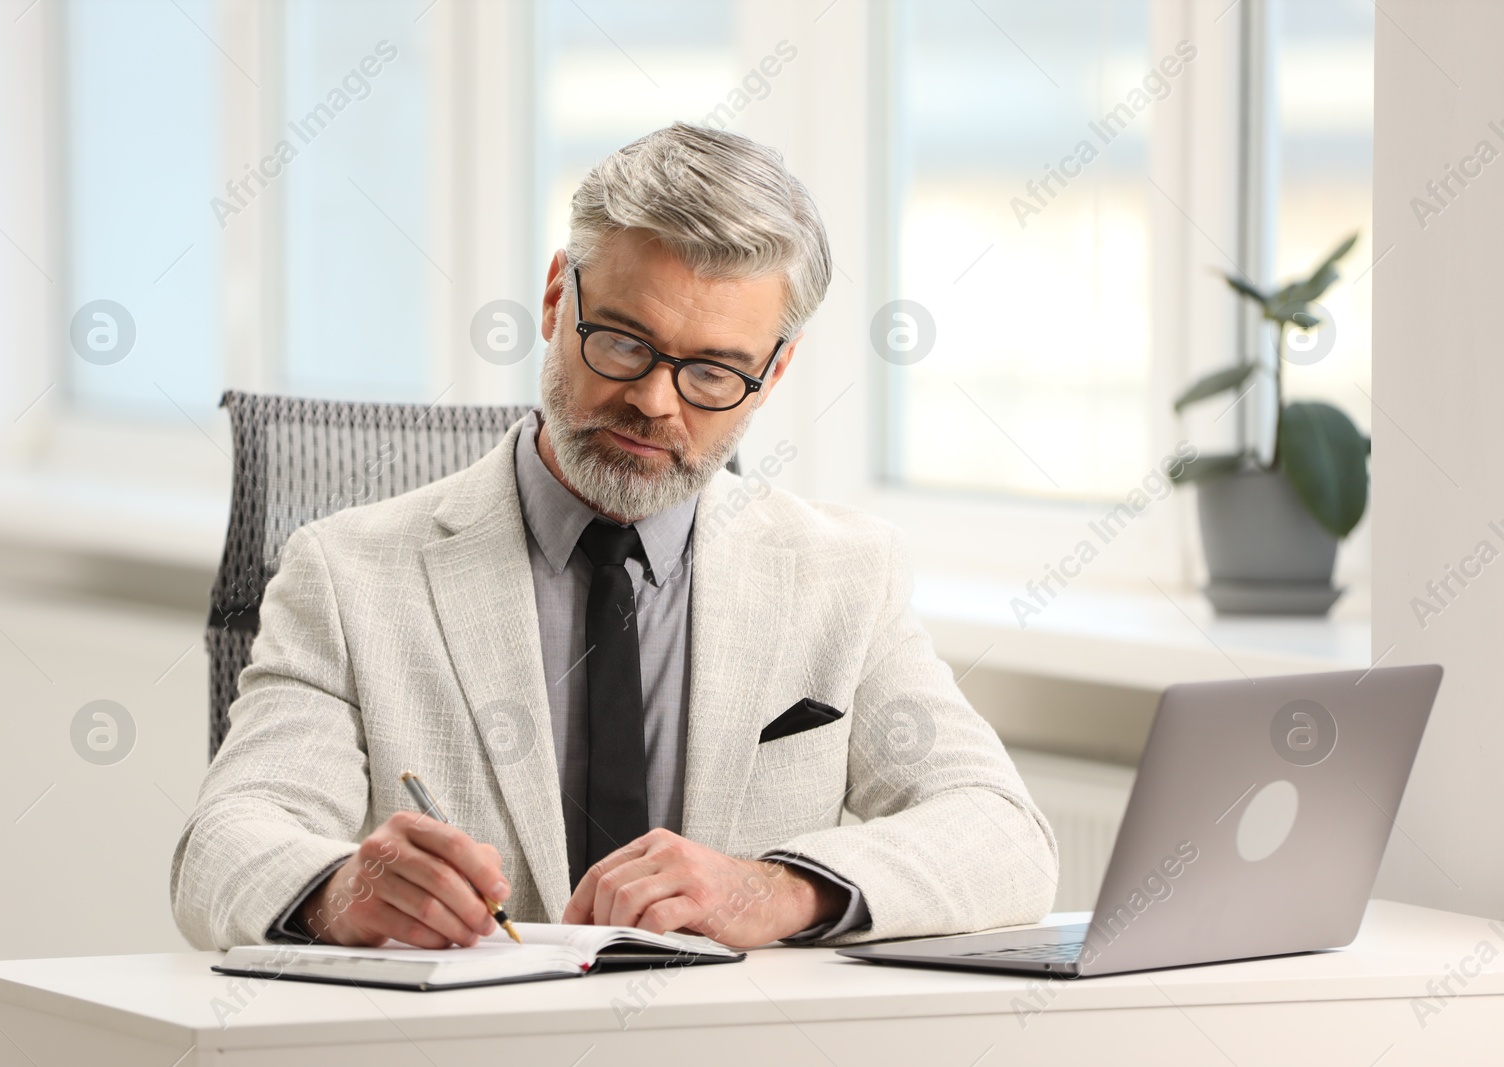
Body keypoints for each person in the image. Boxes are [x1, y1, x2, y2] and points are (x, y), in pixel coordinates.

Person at [170, 122, 1057, 952]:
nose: (655, 401)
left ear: (774, 371)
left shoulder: (844, 575)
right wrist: (339, 889)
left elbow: (1003, 835)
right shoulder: (345, 573)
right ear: (558, 297)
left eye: (712, 370)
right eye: (626, 344)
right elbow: (224, 845)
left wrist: (770, 891)